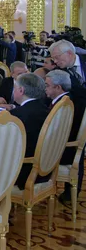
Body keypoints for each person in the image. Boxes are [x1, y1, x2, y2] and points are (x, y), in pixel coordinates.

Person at [45, 70, 86, 204]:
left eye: (47, 85)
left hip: (61, 153)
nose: (44, 88)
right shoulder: (67, 100)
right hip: (63, 149)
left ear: (58, 87)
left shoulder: (64, 105)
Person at [10, 73, 50, 189]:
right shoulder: (47, 110)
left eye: (15, 88)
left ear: (21, 90)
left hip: (23, 172)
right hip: (45, 169)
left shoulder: (17, 115)